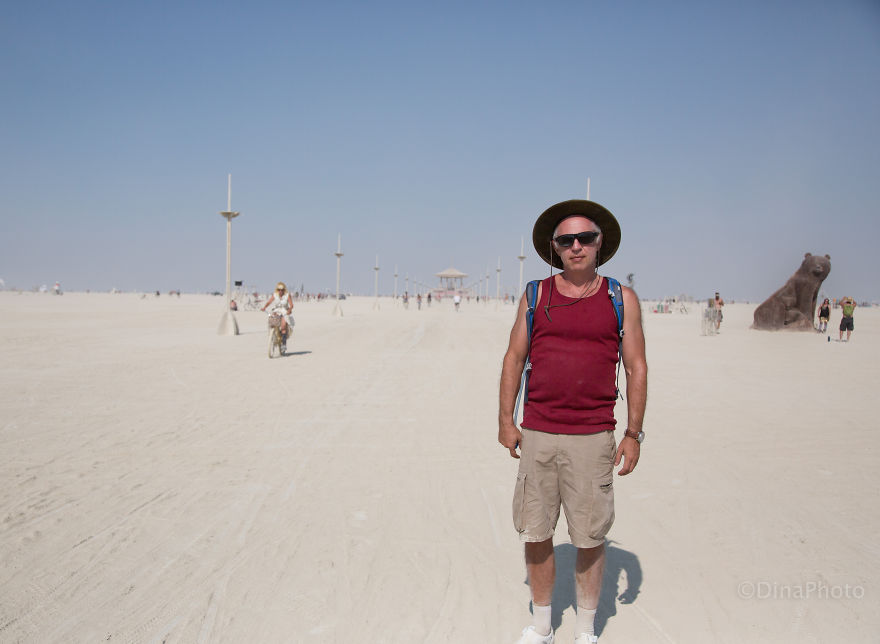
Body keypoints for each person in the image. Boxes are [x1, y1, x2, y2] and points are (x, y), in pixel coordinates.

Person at [498, 200, 648, 644]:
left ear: (601, 244)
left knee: (589, 537)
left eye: (586, 238)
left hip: (594, 437)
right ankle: (542, 624)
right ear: (555, 248)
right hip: (539, 432)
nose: (577, 246)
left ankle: (585, 629)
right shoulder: (536, 295)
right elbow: (514, 357)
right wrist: (506, 420)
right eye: (567, 240)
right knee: (537, 532)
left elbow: (636, 366)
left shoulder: (620, 297)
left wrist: (633, 433)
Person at [262, 282, 294, 351]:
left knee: (283, 327)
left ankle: (284, 344)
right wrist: (264, 307)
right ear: (277, 290)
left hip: (284, 311)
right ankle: (273, 335)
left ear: (284, 290)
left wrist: (289, 310)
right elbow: (269, 302)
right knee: (272, 320)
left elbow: (291, 305)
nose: (280, 291)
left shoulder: (287, 295)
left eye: (282, 290)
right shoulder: (275, 295)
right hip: (277, 310)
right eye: (279, 289)